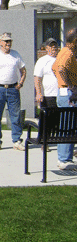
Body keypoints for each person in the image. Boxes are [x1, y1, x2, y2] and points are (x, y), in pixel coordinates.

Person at [0, 32, 27, 151]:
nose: (8, 43)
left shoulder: (15, 55)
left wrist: (21, 83)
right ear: (0, 43)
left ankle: (17, 141)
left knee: (16, 116)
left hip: (13, 89)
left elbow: (23, 71)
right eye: (6, 41)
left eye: (10, 41)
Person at [52, 29, 77, 170]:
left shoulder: (62, 52)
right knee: (68, 127)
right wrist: (71, 87)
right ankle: (64, 159)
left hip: (64, 92)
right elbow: (60, 69)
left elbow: (54, 68)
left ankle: (65, 157)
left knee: (67, 126)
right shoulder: (68, 53)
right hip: (68, 94)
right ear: (75, 41)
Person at [33, 38, 59, 108]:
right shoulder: (42, 60)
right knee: (49, 117)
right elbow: (37, 78)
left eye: (55, 45)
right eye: (51, 46)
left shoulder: (61, 59)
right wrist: (38, 93)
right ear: (47, 48)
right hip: (48, 95)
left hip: (61, 95)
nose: (54, 47)